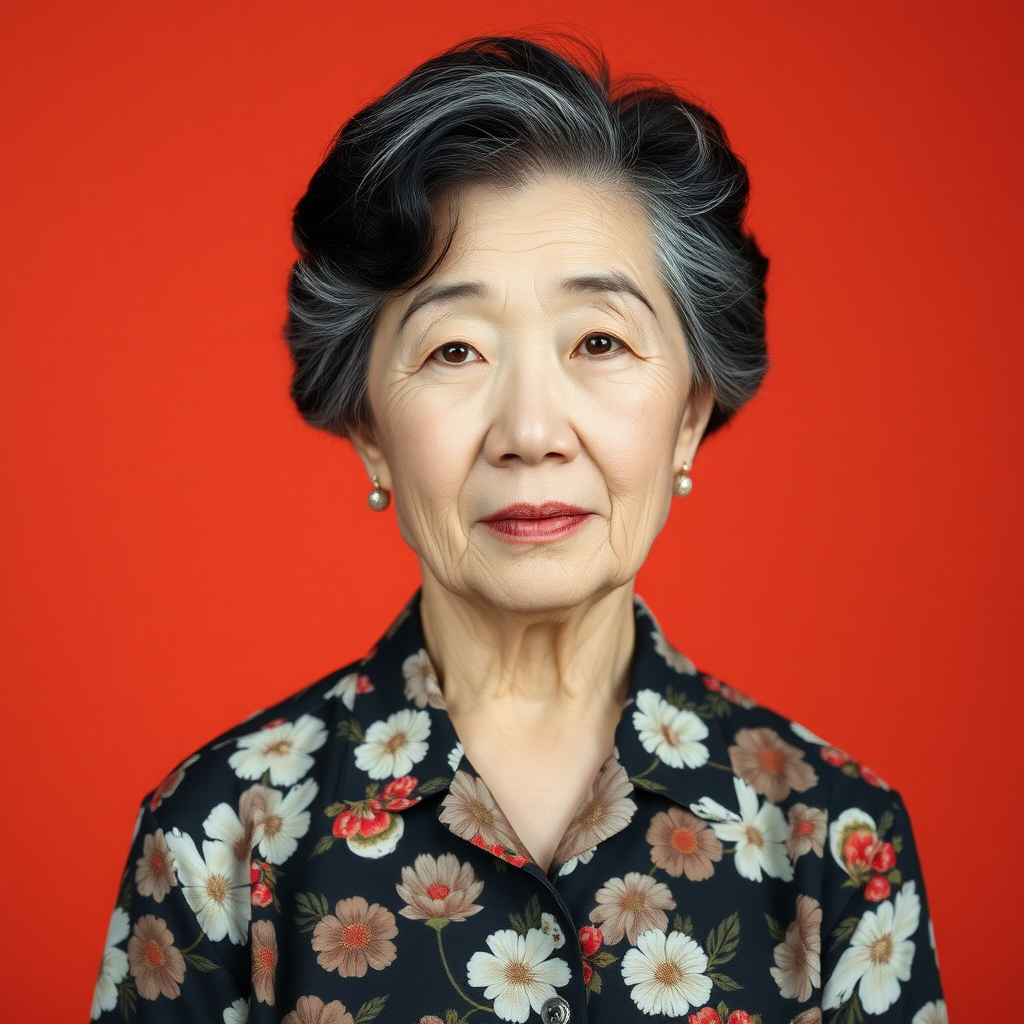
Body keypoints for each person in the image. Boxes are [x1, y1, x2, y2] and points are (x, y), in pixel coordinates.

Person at [91, 34, 945, 1024]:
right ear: (370, 429)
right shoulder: (220, 835)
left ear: (688, 414)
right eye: (454, 349)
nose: (531, 433)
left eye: (598, 340)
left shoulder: (835, 838)